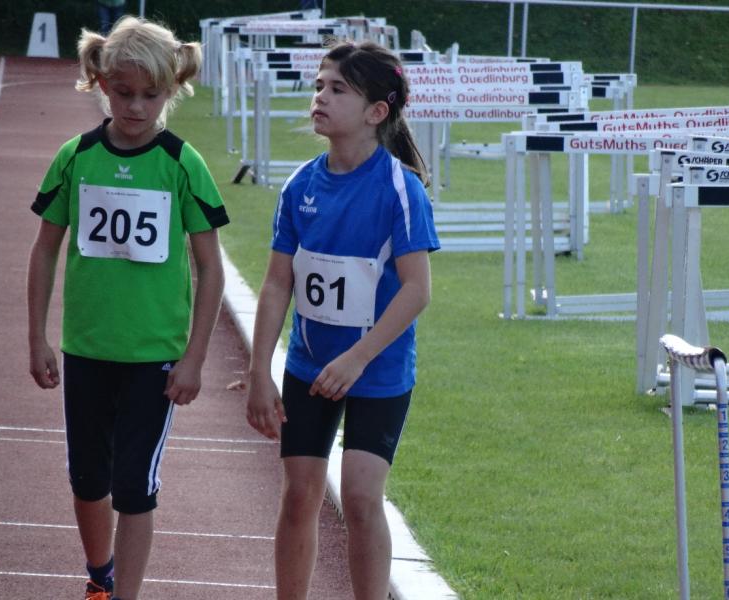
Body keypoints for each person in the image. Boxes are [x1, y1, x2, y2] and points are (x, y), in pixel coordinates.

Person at [27, 16, 228, 600]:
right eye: (124, 93)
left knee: (135, 486)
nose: (137, 107)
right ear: (100, 83)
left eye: (151, 95)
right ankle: (100, 576)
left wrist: (194, 357)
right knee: (88, 481)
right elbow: (45, 250)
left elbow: (210, 266)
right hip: (87, 346)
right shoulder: (76, 157)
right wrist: (36, 337)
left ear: (172, 90)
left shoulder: (183, 164)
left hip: (153, 356)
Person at [246, 40, 439, 600]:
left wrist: (357, 358)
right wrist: (259, 371)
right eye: (318, 86)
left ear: (376, 111)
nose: (320, 98)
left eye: (337, 89)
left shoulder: (400, 188)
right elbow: (277, 283)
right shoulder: (299, 186)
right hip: (309, 366)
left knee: (359, 496)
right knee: (299, 493)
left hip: (377, 369)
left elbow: (417, 290)